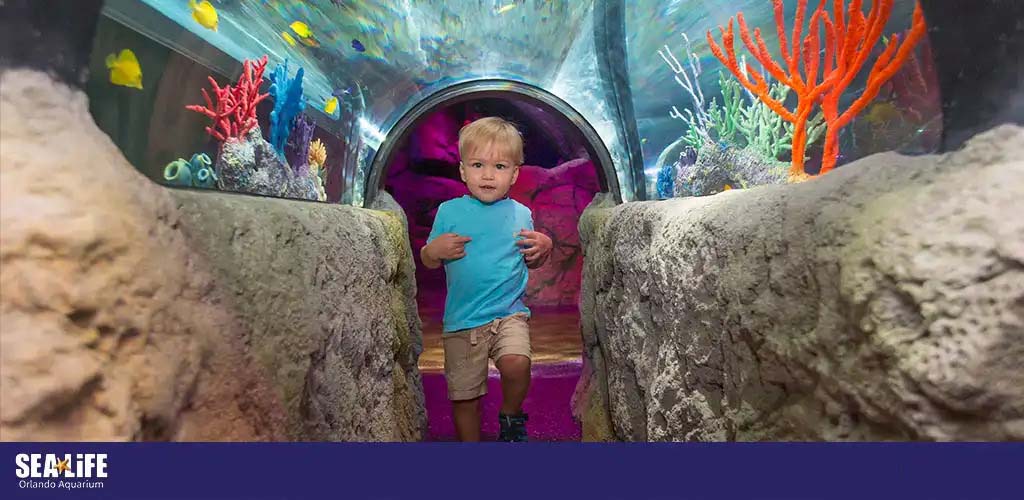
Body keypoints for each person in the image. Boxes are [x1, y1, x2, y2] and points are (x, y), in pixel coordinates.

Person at [420, 116, 553, 442]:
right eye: (478, 165)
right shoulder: (449, 212)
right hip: (463, 320)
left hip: (508, 312)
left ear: (514, 174)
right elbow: (428, 260)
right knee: (465, 396)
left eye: (499, 166)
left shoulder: (521, 213)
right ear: (463, 170)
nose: (488, 175)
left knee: (517, 364)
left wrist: (544, 247)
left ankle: (510, 415)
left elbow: (531, 260)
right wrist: (433, 249)